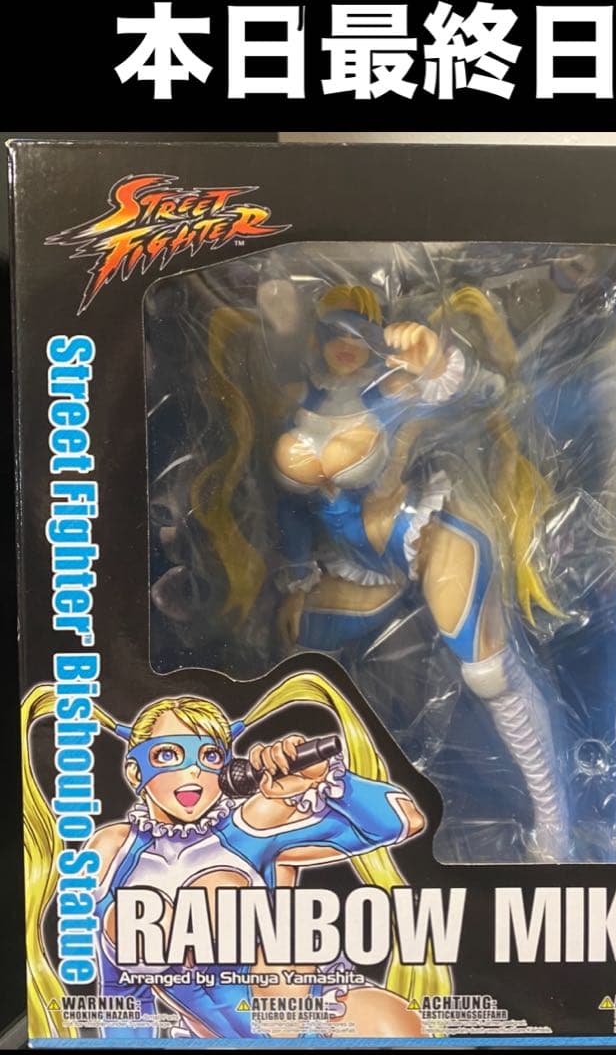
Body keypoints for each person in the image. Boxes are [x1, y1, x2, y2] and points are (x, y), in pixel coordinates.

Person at [194, 284, 570, 865]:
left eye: (361, 331)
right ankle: (310, 814)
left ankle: (555, 830)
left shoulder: (393, 387)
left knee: (490, 672)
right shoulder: (294, 399)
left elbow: (480, 394)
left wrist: (439, 362)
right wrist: (295, 579)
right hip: (355, 565)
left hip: (424, 533)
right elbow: (290, 507)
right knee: (295, 657)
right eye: (336, 330)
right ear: (318, 335)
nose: (348, 344)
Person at [22, 672, 449, 1041]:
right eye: (168, 755)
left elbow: (403, 820)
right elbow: (122, 992)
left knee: (392, 1023)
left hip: (316, 1018)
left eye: (210, 756)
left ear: (228, 767)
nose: (193, 771)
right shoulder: (111, 851)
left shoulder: (254, 821)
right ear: (135, 771)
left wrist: (325, 778)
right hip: (213, 1039)